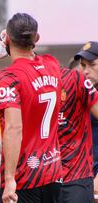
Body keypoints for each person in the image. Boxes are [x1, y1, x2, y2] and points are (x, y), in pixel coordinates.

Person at [0, 13, 63, 203]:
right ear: (36, 39)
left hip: (24, 177)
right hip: (53, 171)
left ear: (7, 39)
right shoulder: (52, 64)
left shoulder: (11, 76)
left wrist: (10, 178)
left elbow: (14, 128)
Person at [74, 41, 98, 202]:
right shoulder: (84, 94)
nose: (86, 71)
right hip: (84, 175)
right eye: (83, 66)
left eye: (92, 65)